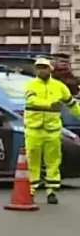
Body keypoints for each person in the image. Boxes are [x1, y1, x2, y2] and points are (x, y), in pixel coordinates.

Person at [25, 57, 80, 204]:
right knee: (33, 159)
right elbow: (31, 100)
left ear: (50, 69)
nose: (42, 70)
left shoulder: (59, 87)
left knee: (53, 161)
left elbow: (72, 104)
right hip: (34, 128)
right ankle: (31, 189)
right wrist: (50, 104)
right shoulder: (31, 85)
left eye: (44, 67)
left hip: (52, 129)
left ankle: (51, 191)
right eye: (39, 67)